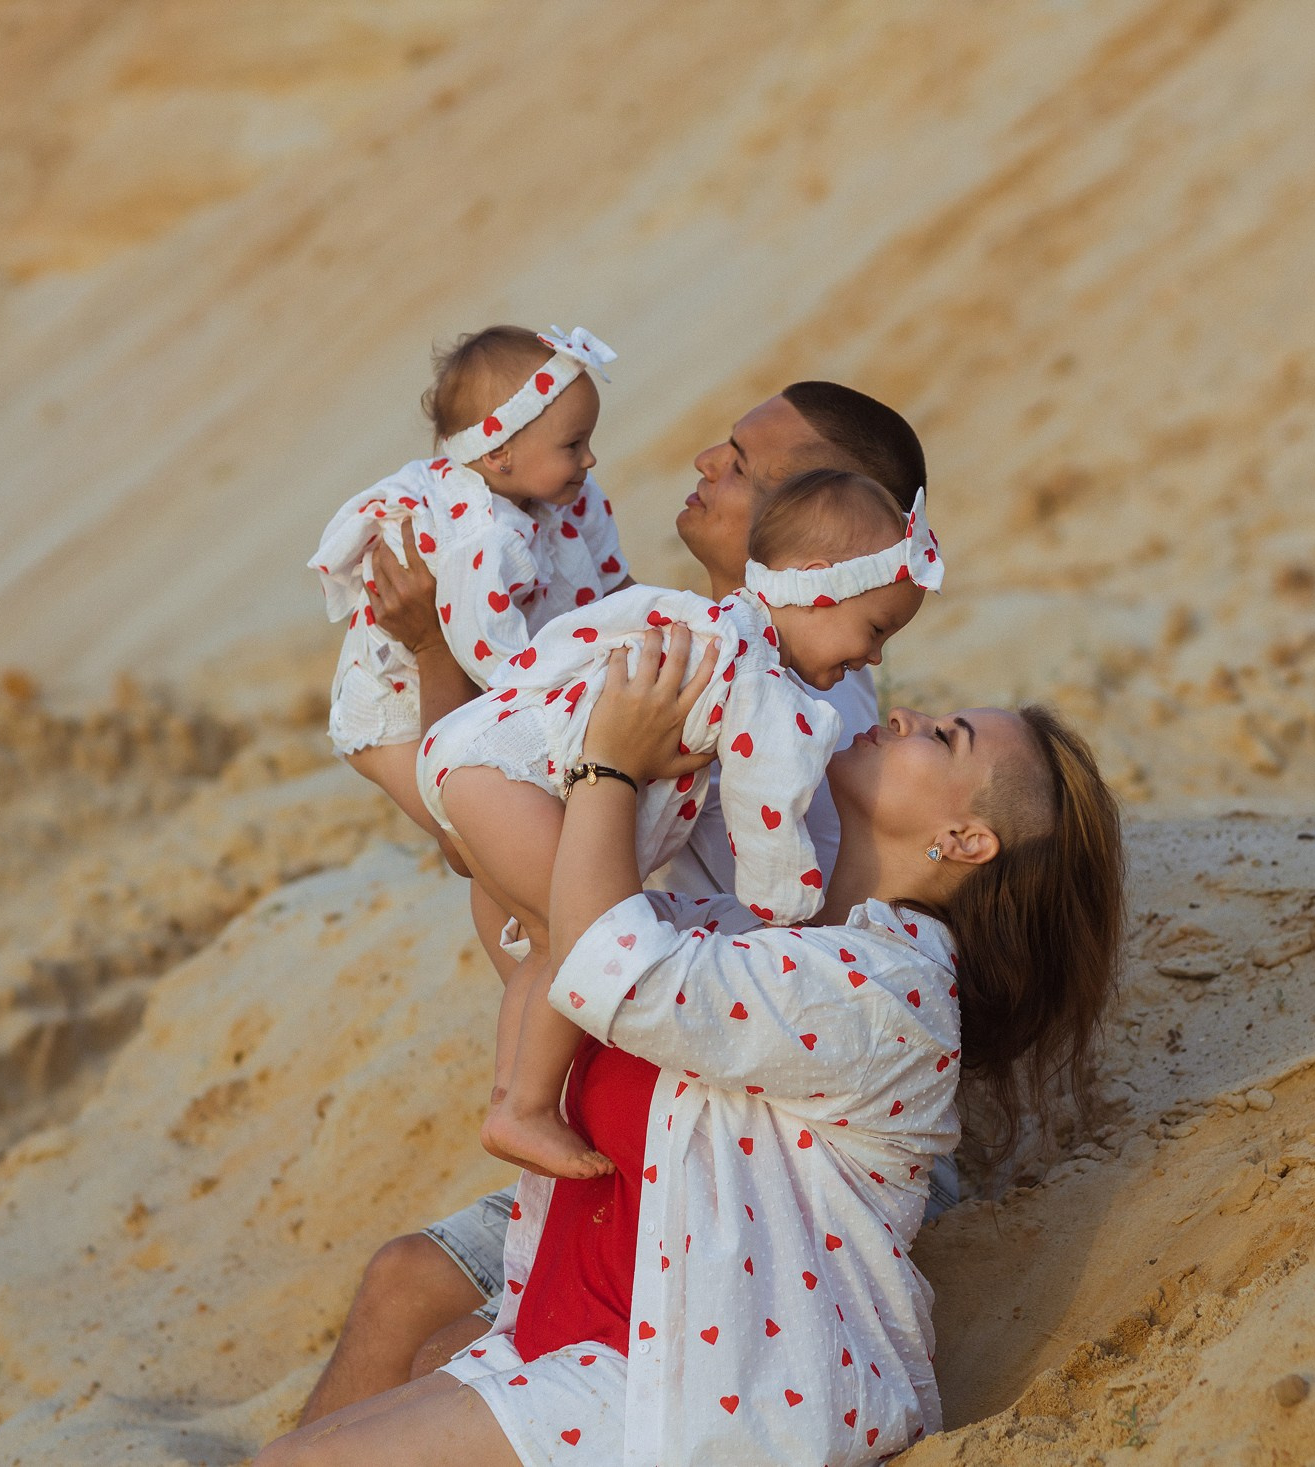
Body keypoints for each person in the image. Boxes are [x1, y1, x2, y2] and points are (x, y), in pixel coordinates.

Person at [258, 622, 1126, 1466]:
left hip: (700, 1397)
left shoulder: (889, 991)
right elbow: (548, 940)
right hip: (597, 1339)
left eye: (945, 737)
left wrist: (610, 764)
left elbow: (611, 962)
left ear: (966, 841)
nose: (907, 717)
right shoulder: (757, 930)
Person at [294, 384, 936, 1425]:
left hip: (694, 1142)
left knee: (425, 1309)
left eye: (744, 461)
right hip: (620, 1095)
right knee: (404, 1285)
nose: (707, 462)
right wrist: (435, 654)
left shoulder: (795, 715)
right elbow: (504, 810)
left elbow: (504, 861)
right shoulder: (698, 641)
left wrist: (442, 676)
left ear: (826, 519)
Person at [418, 469, 943, 1179]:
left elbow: (583, 632)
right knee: (572, 937)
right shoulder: (757, 677)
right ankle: (524, 1106)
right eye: (874, 628)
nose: (875, 656)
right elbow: (769, 812)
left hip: (486, 749)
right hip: (520, 778)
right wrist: (782, 908)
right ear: (816, 583)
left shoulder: (696, 618)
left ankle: (513, 1092)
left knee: (548, 938)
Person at [308, 324, 630, 877]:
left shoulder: (567, 493)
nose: (591, 458)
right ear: (500, 453)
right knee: (475, 846)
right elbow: (495, 660)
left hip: (467, 676)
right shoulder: (480, 540)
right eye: (573, 445)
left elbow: (618, 590)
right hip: (395, 707)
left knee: (520, 838)